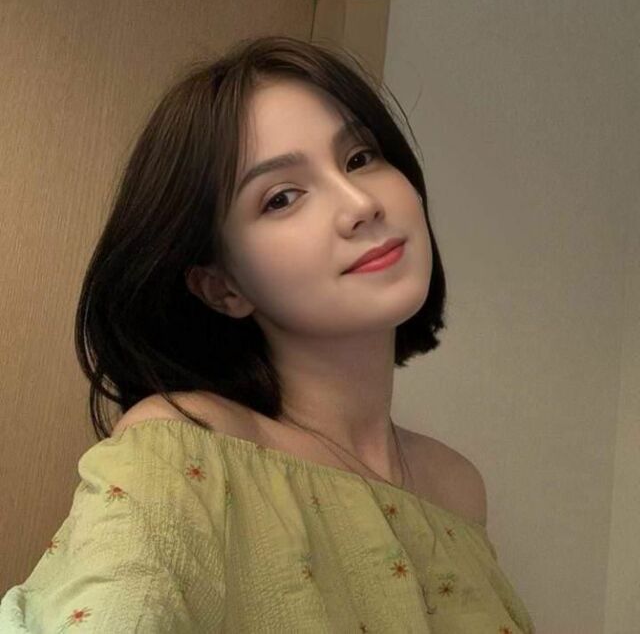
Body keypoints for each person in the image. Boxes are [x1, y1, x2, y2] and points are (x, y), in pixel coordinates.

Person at [0, 35, 535, 632]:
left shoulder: (458, 489)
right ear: (221, 286)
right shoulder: (181, 449)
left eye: (360, 158)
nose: (360, 204)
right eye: (281, 198)